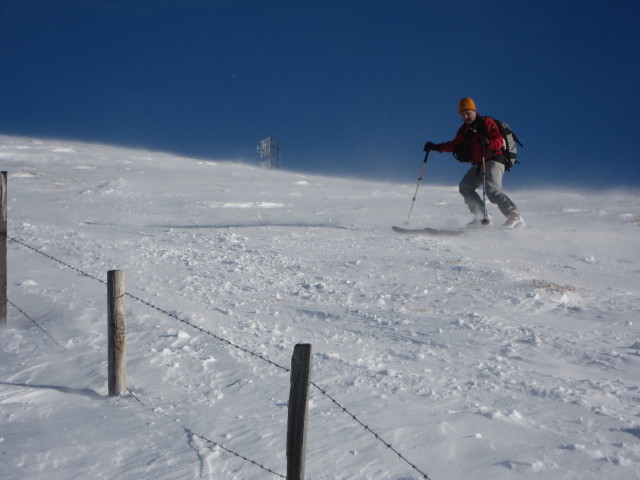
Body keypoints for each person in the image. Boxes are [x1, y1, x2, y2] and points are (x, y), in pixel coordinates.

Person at [424, 97, 524, 228]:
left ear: (474, 111)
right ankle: (482, 216)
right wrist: (437, 147)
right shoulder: (464, 130)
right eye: (462, 114)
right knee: (465, 186)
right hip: (479, 164)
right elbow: (455, 145)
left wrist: (489, 143)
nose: (465, 116)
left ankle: (515, 216)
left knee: (492, 191)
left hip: (495, 160)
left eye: (468, 112)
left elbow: (499, 140)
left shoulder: (486, 122)